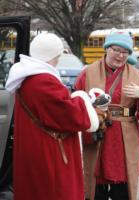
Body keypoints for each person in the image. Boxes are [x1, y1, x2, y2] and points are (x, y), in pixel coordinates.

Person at [5, 33, 100, 200]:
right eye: (58, 55)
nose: (58, 59)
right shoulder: (43, 81)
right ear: (52, 55)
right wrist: (85, 99)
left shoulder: (27, 77)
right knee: (54, 192)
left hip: (36, 148)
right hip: (49, 153)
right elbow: (70, 114)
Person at [74, 30, 139, 200]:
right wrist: (91, 111)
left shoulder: (136, 75)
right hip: (97, 133)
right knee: (94, 183)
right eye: (116, 50)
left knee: (123, 186)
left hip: (124, 137)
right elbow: (75, 99)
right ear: (106, 49)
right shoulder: (88, 72)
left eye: (125, 52)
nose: (120, 56)